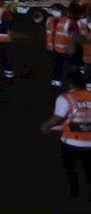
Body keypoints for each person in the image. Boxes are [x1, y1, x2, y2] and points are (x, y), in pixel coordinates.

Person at [43, 66, 91, 197]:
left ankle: (74, 191)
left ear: (70, 83)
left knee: (70, 169)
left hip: (71, 142)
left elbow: (58, 119)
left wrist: (46, 126)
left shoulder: (65, 98)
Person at [51, 0, 84, 86]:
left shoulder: (68, 20)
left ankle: (75, 82)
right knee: (60, 64)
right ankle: (58, 80)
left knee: (72, 65)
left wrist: (71, 47)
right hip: (58, 48)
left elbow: (73, 34)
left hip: (68, 48)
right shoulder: (52, 20)